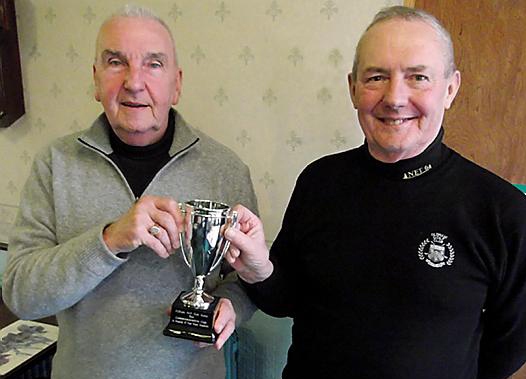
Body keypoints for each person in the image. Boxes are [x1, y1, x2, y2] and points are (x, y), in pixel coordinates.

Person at [224, 5, 526, 379]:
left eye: (417, 77)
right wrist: (258, 270)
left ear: (450, 89)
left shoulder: (502, 210)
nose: (395, 98)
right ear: (353, 88)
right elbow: (286, 299)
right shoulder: (319, 182)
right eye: (377, 77)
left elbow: (507, 350)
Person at [2, 5, 257, 379]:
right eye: (116, 62)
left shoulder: (225, 169)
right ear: (95, 79)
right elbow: (21, 294)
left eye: (154, 64)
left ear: (177, 84)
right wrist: (108, 240)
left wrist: (231, 305)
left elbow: (247, 278)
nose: (134, 82)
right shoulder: (54, 164)